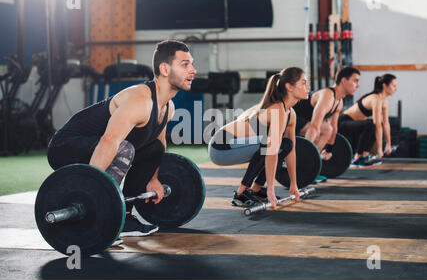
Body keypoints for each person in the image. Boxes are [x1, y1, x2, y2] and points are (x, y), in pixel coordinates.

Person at [47, 40, 196, 238]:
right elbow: (109, 141)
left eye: (191, 64)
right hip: (65, 147)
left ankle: (124, 215)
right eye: (185, 64)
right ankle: (105, 215)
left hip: (101, 148)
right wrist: (89, 191)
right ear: (165, 69)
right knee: (124, 149)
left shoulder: (167, 108)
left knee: (153, 149)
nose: (193, 70)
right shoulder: (140, 101)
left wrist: (153, 180)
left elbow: (158, 144)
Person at [208, 67, 309, 208]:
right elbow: (271, 151)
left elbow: (290, 151)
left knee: (286, 145)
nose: (308, 87)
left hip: (236, 146)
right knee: (270, 145)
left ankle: (255, 189)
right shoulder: (277, 109)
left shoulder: (290, 113)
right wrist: (271, 191)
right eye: (304, 83)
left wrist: (294, 184)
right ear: (289, 87)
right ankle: (240, 194)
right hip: (220, 146)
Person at [293, 66, 360, 180]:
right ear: (344, 80)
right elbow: (314, 126)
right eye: (355, 81)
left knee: (328, 129)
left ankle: (310, 167)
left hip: (303, 123)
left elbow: (334, 128)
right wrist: (305, 153)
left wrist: (329, 149)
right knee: (324, 128)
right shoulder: (327, 95)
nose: (357, 85)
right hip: (289, 118)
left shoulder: (339, 102)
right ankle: (304, 165)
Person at [339, 73, 398, 168]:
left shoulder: (384, 101)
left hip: (353, 125)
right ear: (384, 86)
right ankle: (357, 158)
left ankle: (364, 156)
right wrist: (379, 148)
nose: (396, 88)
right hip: (342, 122)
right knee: (371, 124)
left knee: (373, 125)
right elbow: (377, 124)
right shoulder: (375, 99)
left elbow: (386, 124)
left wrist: (388, 144)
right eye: (394, 85)